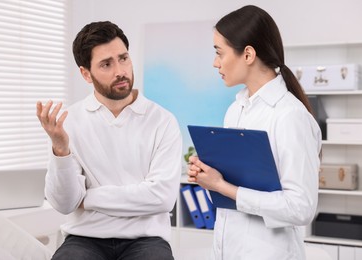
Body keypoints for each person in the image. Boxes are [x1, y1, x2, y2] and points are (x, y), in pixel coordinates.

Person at [36, 21, 182, 260]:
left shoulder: (162, 121)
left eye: (123, 58)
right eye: (106, 64)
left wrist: (89, 198)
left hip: (146, 240)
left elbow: (162, 198)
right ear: (86, 73)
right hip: (84, 240)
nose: (120, 71)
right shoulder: (69, 122)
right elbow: (65, 204)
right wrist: (60, 150)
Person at [187, 5, 322, 260]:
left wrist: (223, 187)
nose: (215, 63)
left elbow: (301, 208)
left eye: (219, 53)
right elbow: (235, 183)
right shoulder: (235, 110)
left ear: (248, 54)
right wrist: (208, 176)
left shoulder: (290, 116)